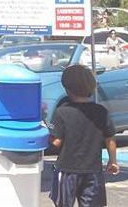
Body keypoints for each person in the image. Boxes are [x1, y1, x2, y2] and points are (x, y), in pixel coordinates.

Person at [49, 64, 119, 207]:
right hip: (93, 170)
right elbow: (110, 138)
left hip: (67, 168)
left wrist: (46, 133)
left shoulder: (62, 112)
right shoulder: (101, 111)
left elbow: (56, 142)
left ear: (67, 88)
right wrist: (112, 161)